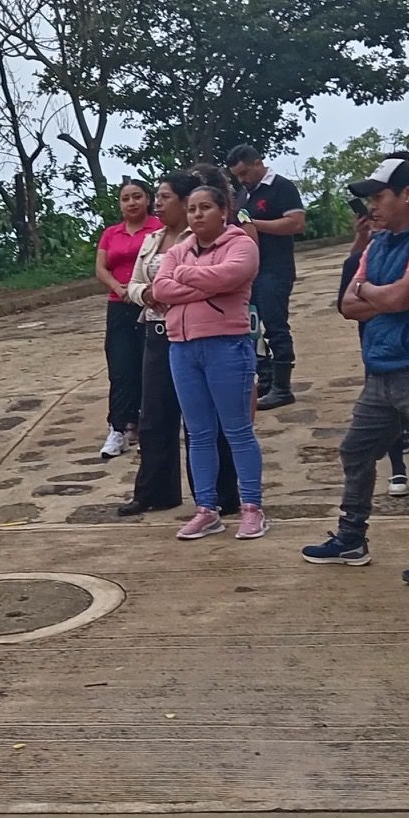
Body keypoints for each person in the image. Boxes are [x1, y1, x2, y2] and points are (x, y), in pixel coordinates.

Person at [302, 156, 409, 586]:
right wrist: (378, 294)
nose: (371, 207)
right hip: (382, 370)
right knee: (356, 450)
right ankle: (351, 538)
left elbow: (397, 300)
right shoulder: (378, 244)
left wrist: (370, 291)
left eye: (379, 196)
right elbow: (347, 306)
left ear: (407, 195)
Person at [150, 168, 267, 542]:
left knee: (237, 430)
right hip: (182, 349)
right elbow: (160, 289)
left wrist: (185, 278)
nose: (197, 214)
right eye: (193, 209)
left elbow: (229, 278)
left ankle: (252, 507)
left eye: (205, 208)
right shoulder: (179, 250)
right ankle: (206, 508)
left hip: (225, 346)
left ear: (223, 211)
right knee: (198, 433)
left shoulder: (241, 244)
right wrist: (200, 281)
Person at [119, 174, 200, 516]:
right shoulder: (153, 239)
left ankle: (210, 494)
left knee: (197, 418)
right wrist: (148, 293)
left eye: (165, 197)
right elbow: (133, 284)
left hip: (192, 330)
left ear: (184, 202)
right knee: (153, 416)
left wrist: (167, 293)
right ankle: (154, 491)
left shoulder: (200, 238)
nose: (158, 205)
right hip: (155, 329)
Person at [337, 210, 409, 498]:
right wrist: (389, 300)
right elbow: (348, 305)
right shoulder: (361, 258)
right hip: (375, 347)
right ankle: (398, 468)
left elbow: (408, 296)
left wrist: (371, 295)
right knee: (386, 411)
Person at [226, 145, 307, 410]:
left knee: (275, 326)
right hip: (251, 270)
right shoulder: (243, 194)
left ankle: (283, 386)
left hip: (276, 268)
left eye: (245, 173)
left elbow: (296, 223)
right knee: (253, 329)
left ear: (258, 163)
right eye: (237, 176)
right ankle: (267, 378)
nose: (242, 179)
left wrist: (254, 225)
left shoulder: (282, 187)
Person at [94, 178, 161, 458]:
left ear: (148, 199)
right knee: (121, 367)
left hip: (150, 302)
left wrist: (142, 290)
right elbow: (100, 267)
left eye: (137, 196)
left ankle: (149, 425)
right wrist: (118, 288)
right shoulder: (112, 233)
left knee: (150, 366)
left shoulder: (158, 228)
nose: (131, 203)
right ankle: (119, 427)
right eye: (125, 198)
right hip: (119, 304)